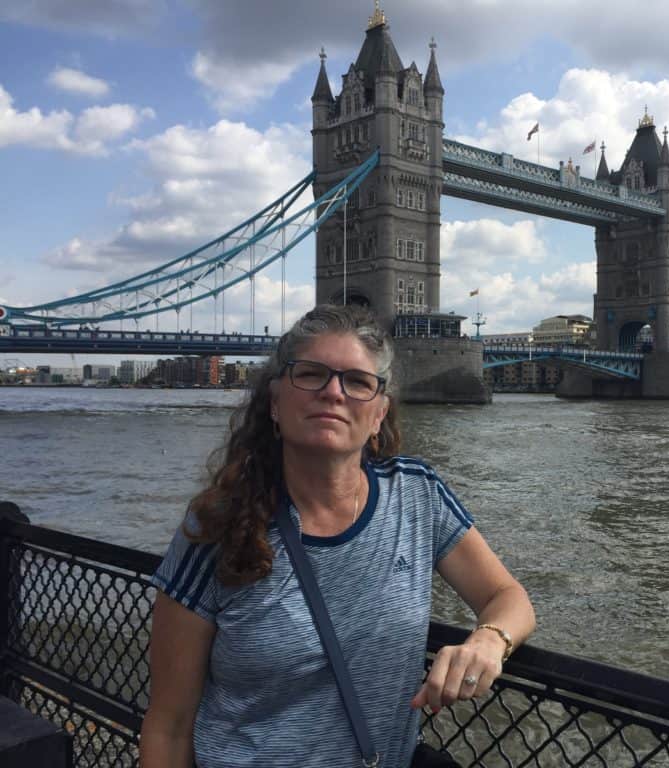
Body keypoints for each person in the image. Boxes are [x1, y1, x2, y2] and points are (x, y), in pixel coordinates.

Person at [141, 304, 535, 768]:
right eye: (311, 374)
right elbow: (168, 726)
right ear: (274, 403)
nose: (333, 392)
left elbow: (509, 597)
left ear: (378, 414)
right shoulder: (215, 526)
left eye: (357, 382)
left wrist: (489, 641)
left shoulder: (416, 495)